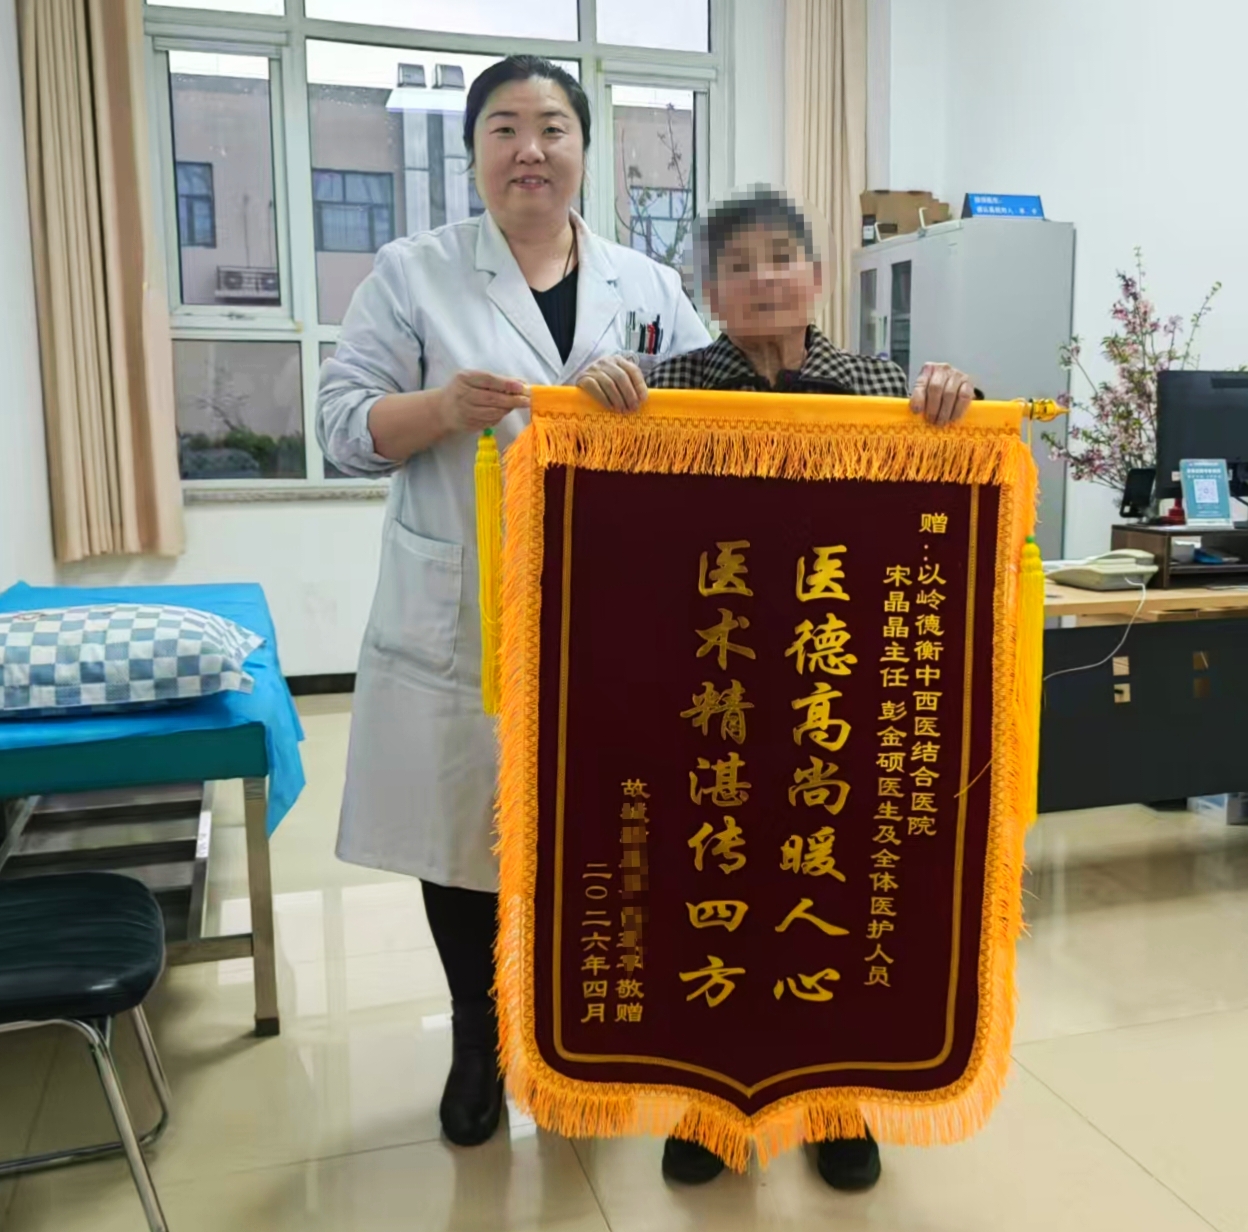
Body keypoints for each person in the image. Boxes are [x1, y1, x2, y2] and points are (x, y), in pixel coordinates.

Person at [317, 56, 710, 1151]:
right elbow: (342, 428)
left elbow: (713, 424)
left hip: (613, 610)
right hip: (465, 604)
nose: (529, 149)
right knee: (465, 833)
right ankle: (479, 1036)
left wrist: (650, 410)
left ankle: (580, 1028)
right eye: (503, 127)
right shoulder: (413, 273)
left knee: (604, 826)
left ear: (584, 148)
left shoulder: (647, 285)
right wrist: (440, 408)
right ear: (474, 152)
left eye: (551, 127)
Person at [579, 186, 976, 1191]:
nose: (762, 279)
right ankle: (707, 1103)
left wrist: (957, 399)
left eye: (781, 258)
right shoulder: (665, 391)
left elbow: (957, 493)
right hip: (706, 698)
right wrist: (596, 396)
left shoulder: (883, 389)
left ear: (817, 277)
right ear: (708, 291)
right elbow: (590, 500)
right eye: (738, 264)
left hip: (834, 698)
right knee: (705, 891)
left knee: (830, 890)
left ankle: (837, 1102)